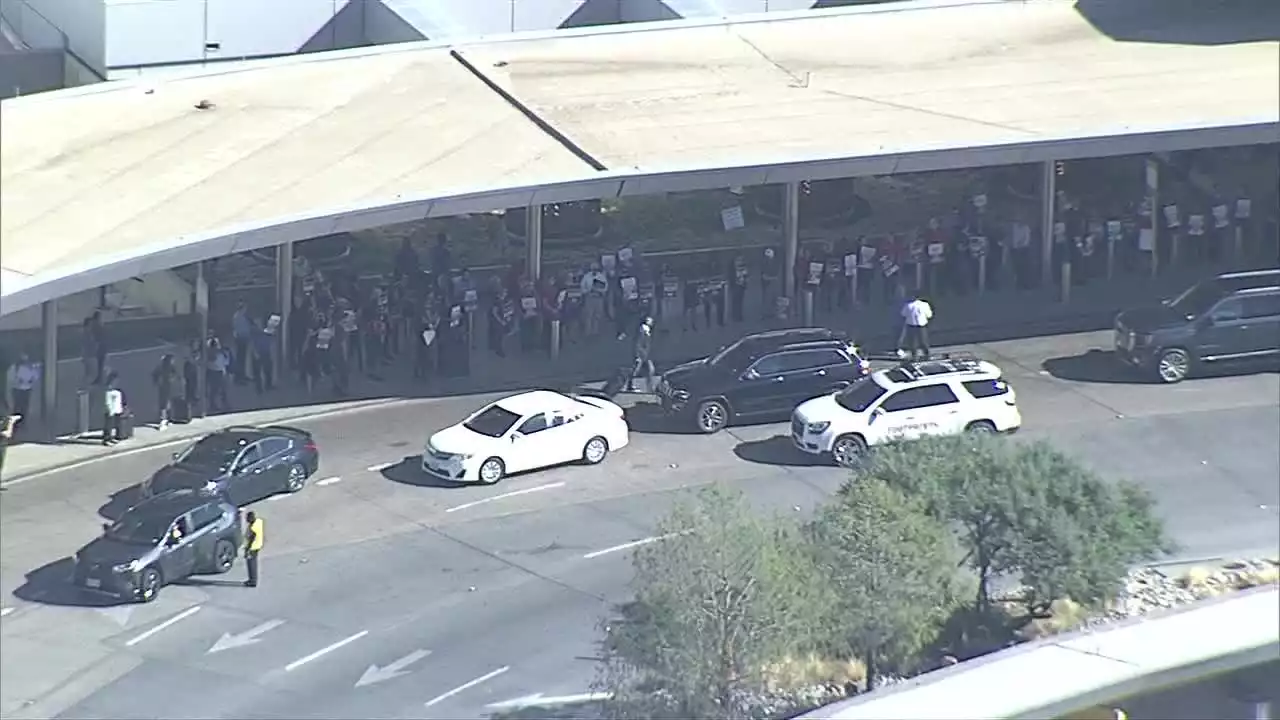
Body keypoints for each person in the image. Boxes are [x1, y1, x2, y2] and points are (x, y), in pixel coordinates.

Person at [900, 291, 934, 361]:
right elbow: (929, 315)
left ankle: (914, 355)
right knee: (924, 341)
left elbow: (903, 314)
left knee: (912, 342)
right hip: (922, 325)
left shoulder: (908, 305)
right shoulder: (924, 304)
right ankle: (927, 354)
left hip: (911, 325)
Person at [626, 315, 655, 393]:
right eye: (650, 320)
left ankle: (650, 388)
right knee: (647, 370)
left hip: (643, 353)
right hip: (642, 354)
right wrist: (640, 353)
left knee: (648, 370)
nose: (652, 322)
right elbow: (640, 342)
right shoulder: (644, 329)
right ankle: (650, 389)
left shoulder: (644, 328)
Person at [10, 354, 38, 431]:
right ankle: (15, 424)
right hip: (17, 389)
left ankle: (23, 423)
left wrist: (30, 380)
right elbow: (12, 378)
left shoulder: (30, 367)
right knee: (17, 407)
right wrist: (18, 381)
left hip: (27, 389)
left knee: (24, 407)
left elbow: (35, 376)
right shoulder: (15, 367)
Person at [151, 353, 177, 430]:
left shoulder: (170, 367)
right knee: (163, 404)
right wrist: (157, 382)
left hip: (167, 387)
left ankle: (168, 419)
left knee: (167, 403)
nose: (173, 361)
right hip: (164, 387)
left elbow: (174, 375)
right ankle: (163, 420)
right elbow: (155, 375)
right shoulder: (162, 368)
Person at [102, 373, 126, 445]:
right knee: (108, 426)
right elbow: (108, 402)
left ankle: (112, 438)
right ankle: (106, 440)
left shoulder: (117, 390)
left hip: (116, 410)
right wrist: (109, 410)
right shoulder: (108, 390)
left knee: (114, 425)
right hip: (110, 411)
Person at [243, 511, 263, 588]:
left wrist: (247, 550)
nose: (246, 520)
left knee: (251, 565)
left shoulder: (253, 528)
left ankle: (252, 581)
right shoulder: (258, 522)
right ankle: (253, 580)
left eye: (247, 518)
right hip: (258, 545)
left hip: (252, 548)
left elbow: (251, 540)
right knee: (253, 563)